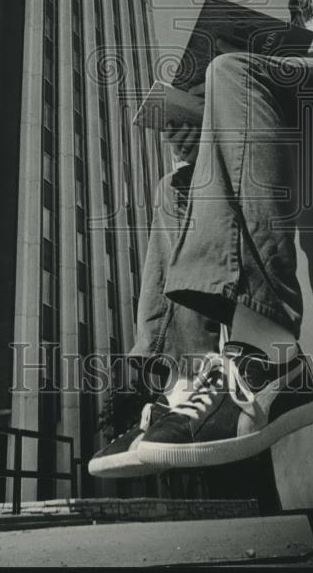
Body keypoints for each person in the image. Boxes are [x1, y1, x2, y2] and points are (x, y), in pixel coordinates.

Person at [91, 0, 313, 476]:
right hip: (293, 124)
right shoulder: (292, 10)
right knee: (176, 183)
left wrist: (308, 60)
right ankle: (182, 379)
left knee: (230, 69)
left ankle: (271, 353)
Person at [88, 122, 222, 479]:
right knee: (173, 186)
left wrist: (209, 139)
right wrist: (184, 144)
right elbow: (184, 105)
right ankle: (179, 379)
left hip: (251, 140)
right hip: (214, 157)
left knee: (180, 186)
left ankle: (188, 375)